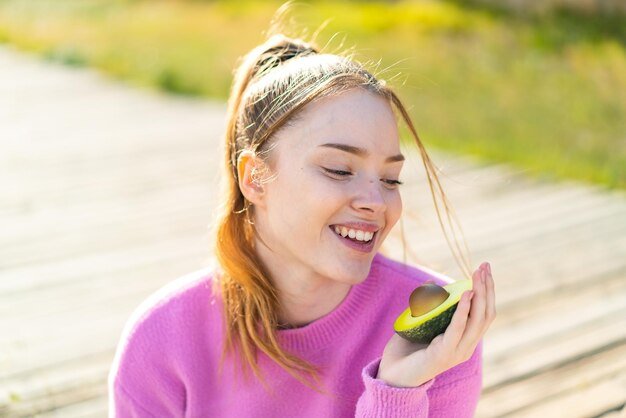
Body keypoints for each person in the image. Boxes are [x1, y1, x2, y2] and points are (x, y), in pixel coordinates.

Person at [108, 9, 496, 418]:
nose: (377, 202)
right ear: (255, 178)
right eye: (339, 170)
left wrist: (398, 392)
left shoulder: (435, 336)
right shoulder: (161, 340)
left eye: (391, 179)